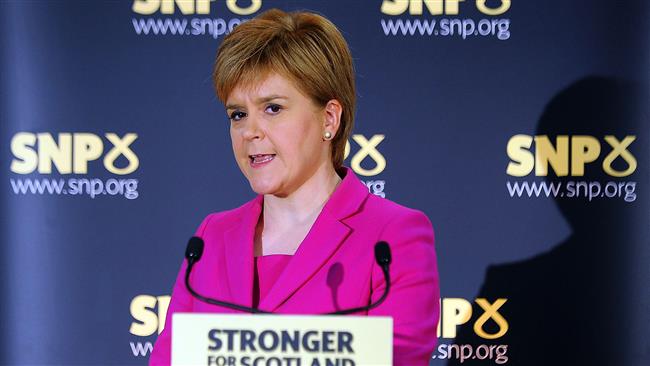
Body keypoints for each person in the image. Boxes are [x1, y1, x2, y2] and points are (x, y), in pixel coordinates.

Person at [150, 9, 439, 366]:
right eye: (238, 114)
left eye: (272, 108)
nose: (250, 132)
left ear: (329, 118)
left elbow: (399, 358)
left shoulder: (393, 236)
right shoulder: (212, 236)